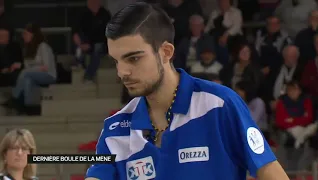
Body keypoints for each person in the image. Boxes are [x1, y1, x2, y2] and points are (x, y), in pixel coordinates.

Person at [85, 2, 289, 180]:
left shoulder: (219, 105)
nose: (122, 72)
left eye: (134, 58)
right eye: (116, 61)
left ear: (166, 52)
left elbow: (270, 172)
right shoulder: (114, 129)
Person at [2, 23, 56, 114]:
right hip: (36, 74)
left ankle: (15, 98)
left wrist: (27, 69)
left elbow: (46, 67)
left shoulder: (43, 46)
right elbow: (30, 65)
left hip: (49, 74)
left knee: (25, 73)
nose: (23, 37)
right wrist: (22, 66)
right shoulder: (29, 49)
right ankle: (30, 107)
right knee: (27, 80)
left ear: (32, 35)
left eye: (25, 34)